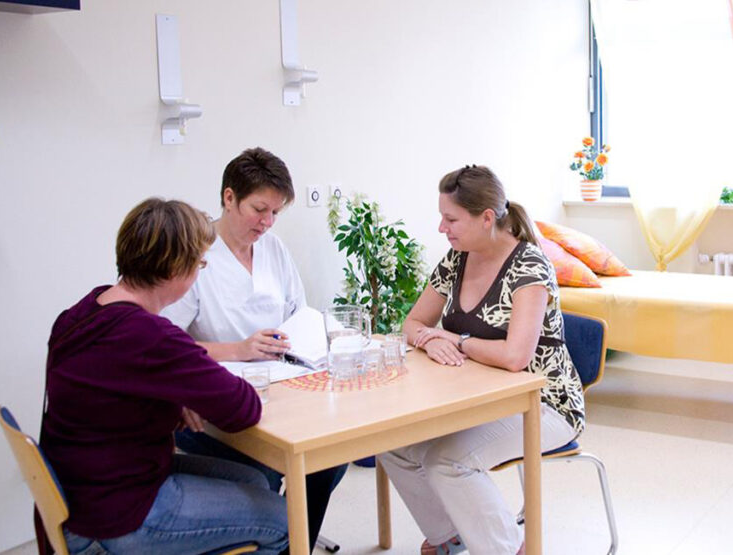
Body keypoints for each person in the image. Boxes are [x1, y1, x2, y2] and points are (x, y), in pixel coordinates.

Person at [39, 198, 289, 554]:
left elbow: (117, 390)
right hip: (122, 512)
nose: (199, 273)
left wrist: (174, 398)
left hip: (83, 488)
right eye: (199, 264)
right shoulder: (152, 336)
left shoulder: (83, 311)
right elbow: (243, 408)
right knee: (285, 518)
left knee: (256, 478)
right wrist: (182, 394)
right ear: (175, 269)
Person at [379, 165, 586, 555]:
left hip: (543, 405)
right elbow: (412, 323)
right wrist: (428, 339)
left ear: (486, 218)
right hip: (477, 397)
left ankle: (507, 548)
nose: (442, 228)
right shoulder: (457, 259)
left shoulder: (529, 266)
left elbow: (515, 356)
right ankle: (449, 536)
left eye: (451, 219)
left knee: (447, 461)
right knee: (391, 443)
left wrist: (456, 341)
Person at [161, 147, 347, 551]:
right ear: (229, 198)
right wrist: (239, 349)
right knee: (265, 471)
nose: (267, 222)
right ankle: (279, 531)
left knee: (331, 456)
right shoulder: (195, 255)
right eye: (259, 209)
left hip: (283, 388)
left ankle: (292, 542)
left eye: (275, 212)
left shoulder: (273, 249)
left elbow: (299, 314)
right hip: (215, 407)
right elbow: (166, 346)